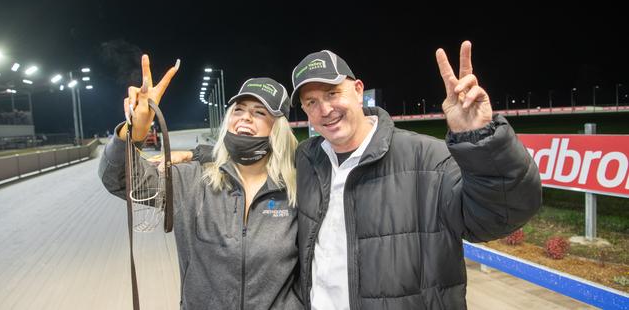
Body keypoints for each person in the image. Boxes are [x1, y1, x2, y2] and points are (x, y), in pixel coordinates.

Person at [290, 41, 542, 310]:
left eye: (332, 94)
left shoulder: (428, 158)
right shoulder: (305, 160)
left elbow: (501, 215)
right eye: (311, 102)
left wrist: (480, 140)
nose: (325, 110)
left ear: (358, 90)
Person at [98, 54, 303, 310]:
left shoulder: (298, 187)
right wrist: (133, 132)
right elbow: (117, 178)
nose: (245, 118)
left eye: (259, 112)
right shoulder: (192, 181)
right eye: (238, 110)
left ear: (278, 129)